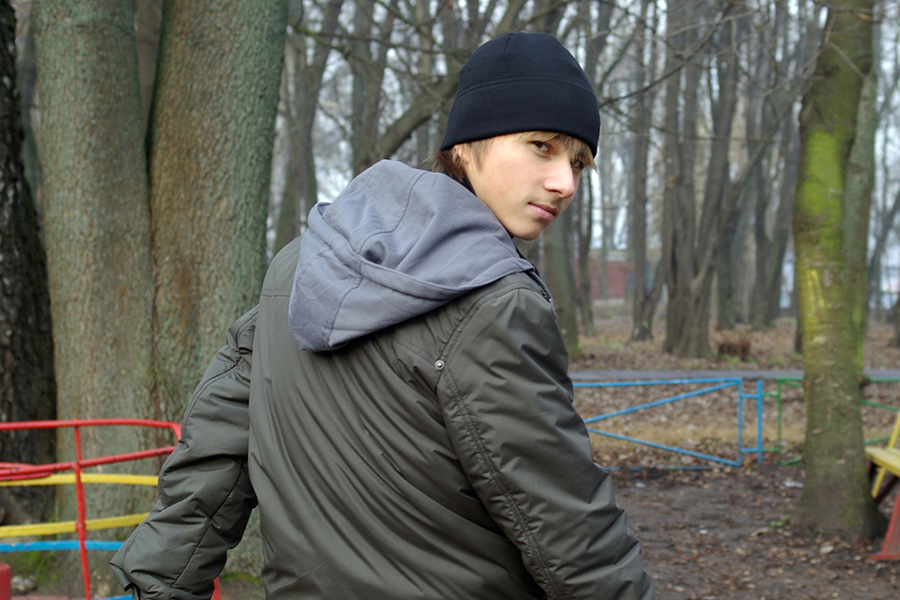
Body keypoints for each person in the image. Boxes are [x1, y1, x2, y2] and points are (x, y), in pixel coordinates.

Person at [110, 32, 654, 600]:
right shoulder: (496, 303)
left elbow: (213, 461)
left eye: (578, 163)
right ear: (466, 145)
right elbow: (571, 530)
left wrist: (154, 586)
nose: (564, 182)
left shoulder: (301, 266)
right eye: (542, 146)